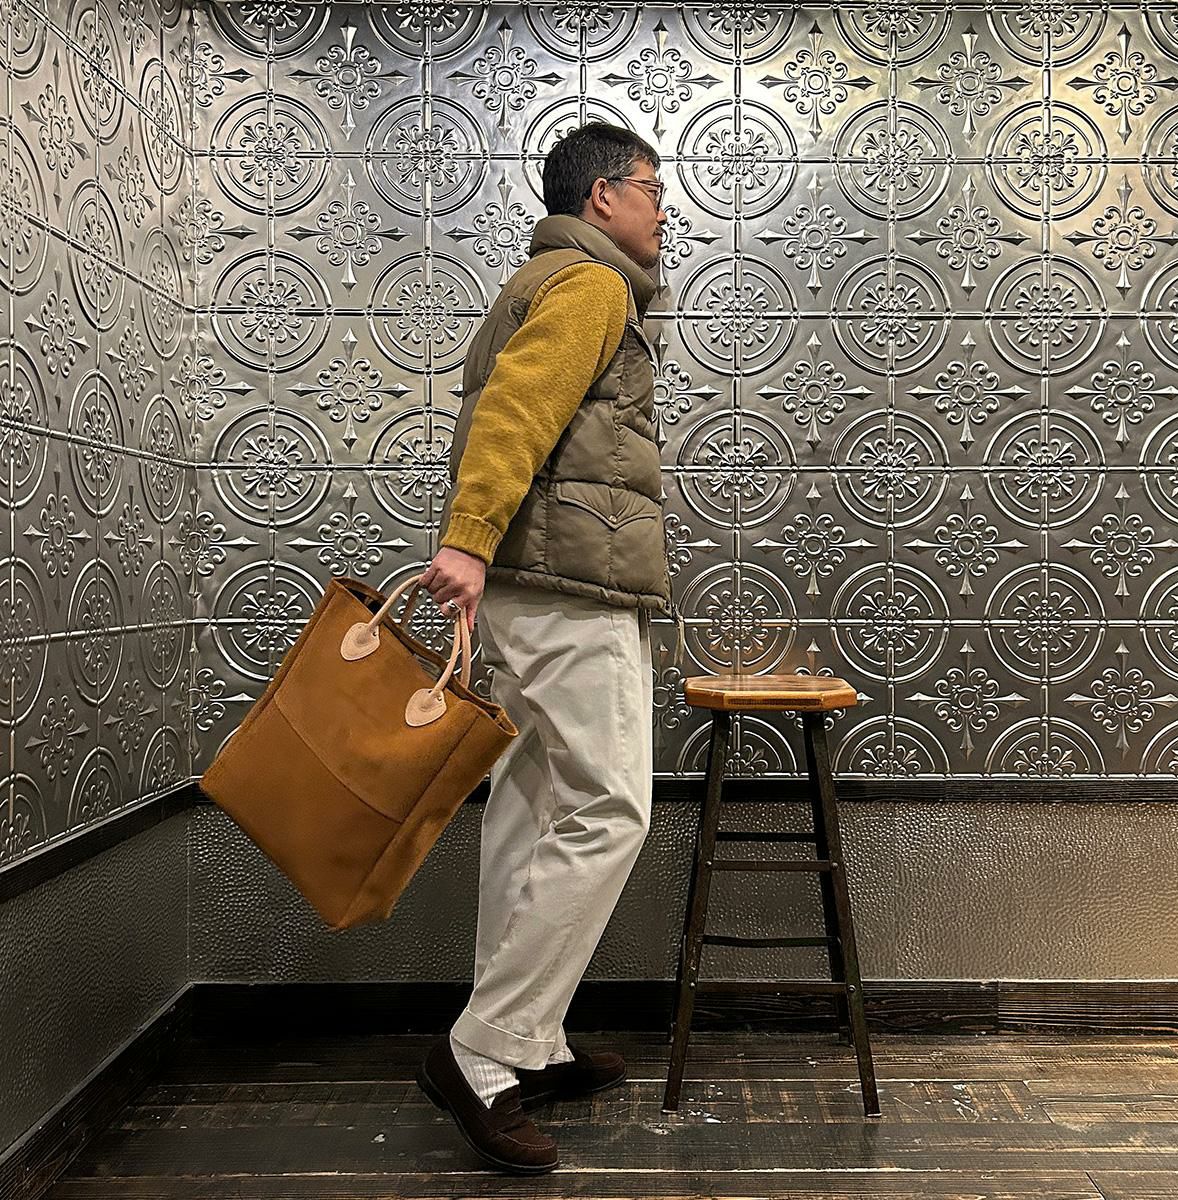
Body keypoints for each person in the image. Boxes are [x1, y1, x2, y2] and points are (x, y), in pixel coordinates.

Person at [413, 121, 681, 1174]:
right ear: (603, 196)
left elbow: (505, 406)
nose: (665, 209)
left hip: (529, 590)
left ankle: (525, 1044)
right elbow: (518, 411)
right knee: (610, 808)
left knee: (530, 810)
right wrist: (468, 538)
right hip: (571, 585)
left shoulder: (544, 278)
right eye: (653, 188)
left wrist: (482, 548)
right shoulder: (591, 282)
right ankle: (483, 1048)